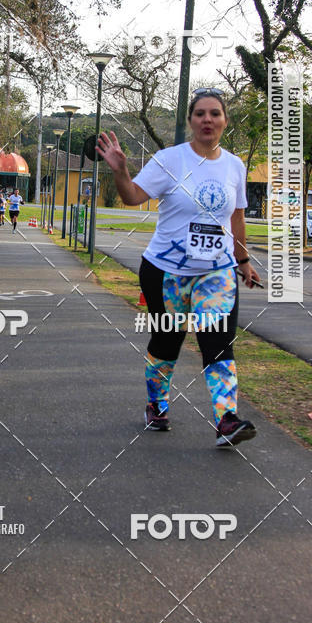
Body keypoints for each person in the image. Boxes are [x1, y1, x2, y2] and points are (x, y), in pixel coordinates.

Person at [96, 88, 261, 448]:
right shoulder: (170, 159)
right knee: (167, 341)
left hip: (216, 273)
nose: (207, 120)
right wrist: (121, 171)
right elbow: (132, 197)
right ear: (190, 121)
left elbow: (236, 217)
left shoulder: (234, 165)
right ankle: (156, 404)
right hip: (165, 271)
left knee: (217, 344)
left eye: (215, 113)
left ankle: (227, 420)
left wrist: (244, 260)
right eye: (200, 113)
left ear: (224, 121)